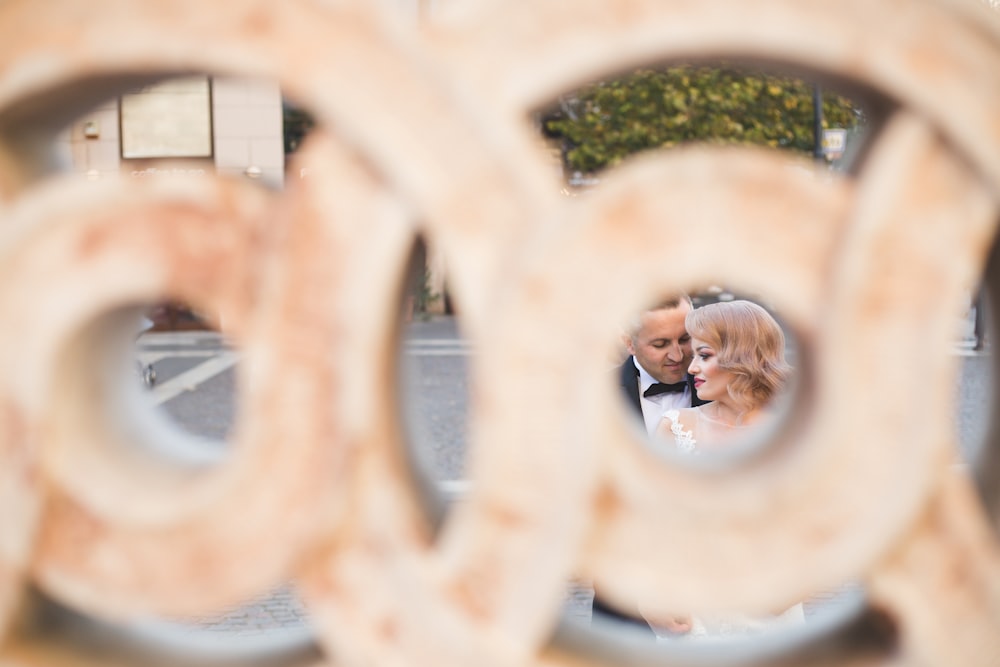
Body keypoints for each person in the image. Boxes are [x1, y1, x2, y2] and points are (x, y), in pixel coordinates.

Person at [648, 299, 803, 639]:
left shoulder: (795, 435)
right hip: (692, 618)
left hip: (772, 621)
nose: (690, 368)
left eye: (704, 355)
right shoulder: (675, 428)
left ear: (742, 356)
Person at [592, 295, 710, 635]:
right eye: (660, 344)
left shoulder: (726, 384)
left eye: (685, 339)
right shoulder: (593, 395)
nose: (677, 355)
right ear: (628, 342)